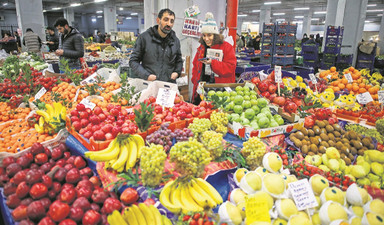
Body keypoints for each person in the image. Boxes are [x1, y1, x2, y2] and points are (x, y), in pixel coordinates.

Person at [191, 12, 237, 104]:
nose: (206, 38)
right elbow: (195, 65)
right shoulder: (201, 48)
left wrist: (213, 63)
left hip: (220, 89)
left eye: (209, 35)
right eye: (204, 35)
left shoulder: (226, 47)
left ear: (215, 35)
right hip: (202, 89)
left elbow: (231, 67)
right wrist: (195, 80)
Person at [129, 8, 183, 83]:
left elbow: (179, 61)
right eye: (166, 20)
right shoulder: (144, 38)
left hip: (168, 85)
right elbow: (133, 61)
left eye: (172, 21)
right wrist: (146, 75)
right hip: (150, 83)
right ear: (158, 20)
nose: (169, 24)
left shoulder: (175, 41)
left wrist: (177, 72)